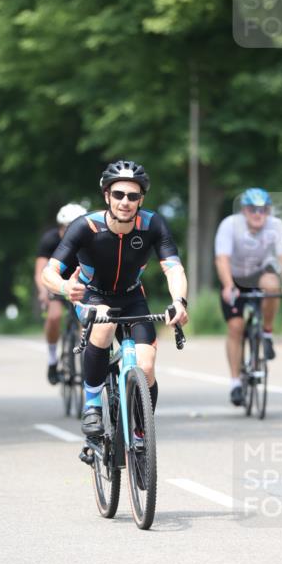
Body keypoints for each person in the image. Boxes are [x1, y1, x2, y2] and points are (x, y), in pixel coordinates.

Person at [41, 161, 188, 437]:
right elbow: (49, 272)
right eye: (118, 194)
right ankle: (93, 405)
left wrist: (180, 301)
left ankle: (141, 436)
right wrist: (63, 288)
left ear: (141, 199)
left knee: (145, 366)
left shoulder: (152, 224)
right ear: (107, 196)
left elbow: (174, 268)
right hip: (92, 295)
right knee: (105, 322)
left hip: (132, 296)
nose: (125, 202)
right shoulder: (85, 226)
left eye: (133, 196)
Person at [214, 187, 282, 407]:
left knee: (272, 284)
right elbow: (222, 259)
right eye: (253, 209)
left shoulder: (276, 226)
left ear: (268, 211)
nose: (258, 214)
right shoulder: (230, 225)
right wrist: (229, 286)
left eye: (263, 209)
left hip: (259, 273)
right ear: (244, 210)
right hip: (234, 276)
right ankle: (234, 383)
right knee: (236, 326)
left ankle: (267, 332)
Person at [35, 203, 87, 384]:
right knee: (54, 316)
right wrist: (43, 292)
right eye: (67, 227)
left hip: (81, 283)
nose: (72, 231)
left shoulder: (89, 237)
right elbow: (40, 270)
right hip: (57, 283)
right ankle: (52, 360)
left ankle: (88, 359)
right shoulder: (50, 240)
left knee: (87, 321)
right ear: (60, 227)